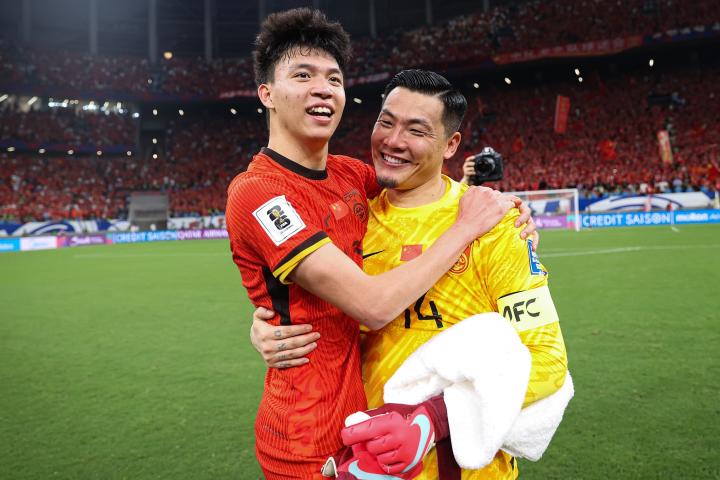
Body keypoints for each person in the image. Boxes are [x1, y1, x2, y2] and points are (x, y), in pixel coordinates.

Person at [226, 9, 536, 480]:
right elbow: (371, 306)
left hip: (368, 425)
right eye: (303, 75)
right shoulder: (259, 192)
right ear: (266, 93)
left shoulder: (352, 175)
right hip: (306, 439)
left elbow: (426, 183)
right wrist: (467, 227)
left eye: (333, 78)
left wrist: (506, 207)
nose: (322, 88)